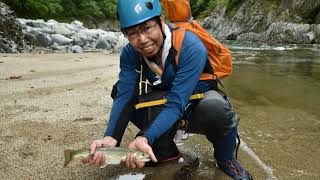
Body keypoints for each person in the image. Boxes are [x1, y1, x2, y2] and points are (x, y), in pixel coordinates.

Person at [82, 0, 252, 179]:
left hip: (194, 107)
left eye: (148, 28)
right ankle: (166, 152)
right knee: (118, 91)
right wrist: (110, 138)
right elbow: (124, 97)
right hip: (166, 105)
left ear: (161, 21)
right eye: (132, 33)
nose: (142, 40)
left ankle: (225, 158)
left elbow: (175, 103)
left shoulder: (190, 45)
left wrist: (144, 136)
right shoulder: (130, 54)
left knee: (217, 107)